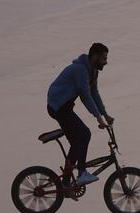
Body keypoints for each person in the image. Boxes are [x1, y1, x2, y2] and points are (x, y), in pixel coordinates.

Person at [46, 43, 115, 187]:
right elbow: (85, 95)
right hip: (57, 106)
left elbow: (94, 93)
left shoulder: (92, 71)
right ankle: (82, 173)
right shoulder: (80, 70)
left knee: (77, 143)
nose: (106, 62)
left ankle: (65, 184)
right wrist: (98, 117)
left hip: (65, 108)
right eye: (104, 58)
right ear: (95, 56)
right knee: (85, 134)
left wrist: (105, 114)